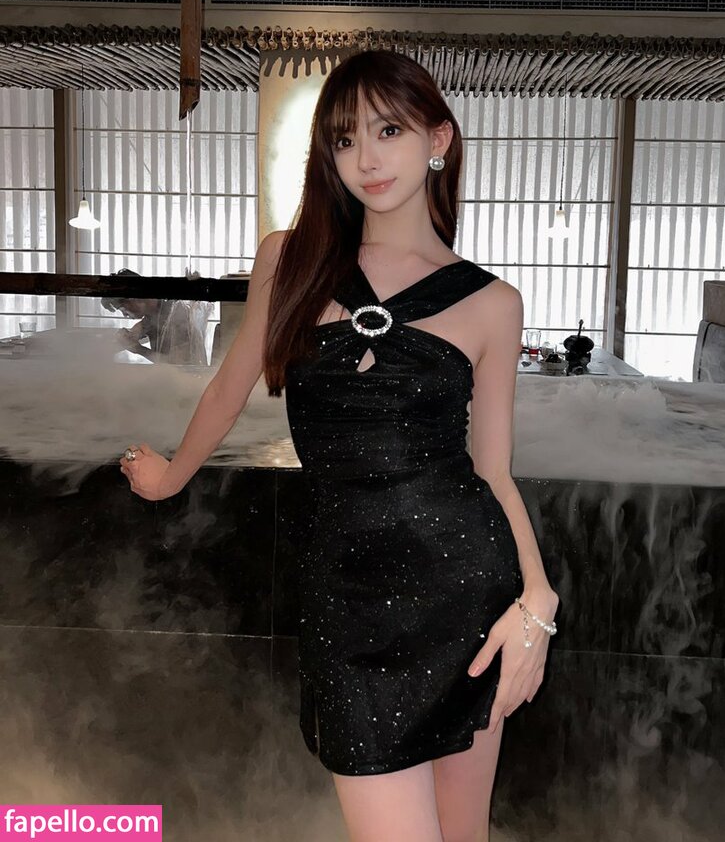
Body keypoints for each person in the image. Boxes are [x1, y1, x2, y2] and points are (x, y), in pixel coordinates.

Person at [119, 50, 559, 842]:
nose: (367, 158)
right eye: (346, 138)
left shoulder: (494, 303)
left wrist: (538, 597)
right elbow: (228, 386)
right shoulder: (289, 259)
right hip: (348, 604)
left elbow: (492, 470)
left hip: (466, 595)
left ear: (437, 140)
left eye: (389, 131)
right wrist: (174, 473)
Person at [101, 270, 209, 366]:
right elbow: (136, 331)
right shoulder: (152, 314)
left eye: (123, 309)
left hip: (192, 379)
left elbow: (178, 365)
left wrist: (140, 350)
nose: (125, 315)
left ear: (134, 298)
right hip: (175, 379)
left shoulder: (176, 313)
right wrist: (125, 337)